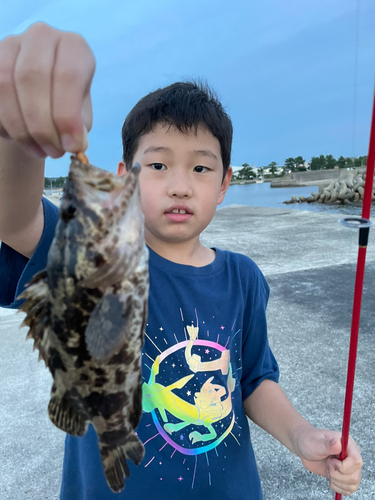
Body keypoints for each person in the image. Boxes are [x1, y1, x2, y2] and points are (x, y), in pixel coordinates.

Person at [0, 22, 363, 499]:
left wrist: (302, 436)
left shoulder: (243, 278)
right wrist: (15, 132)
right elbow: (14, 217)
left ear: (225, 182)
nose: (180, 184)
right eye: (157, 165)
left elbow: (251, 379)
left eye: (200, 167)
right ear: (125, 177)